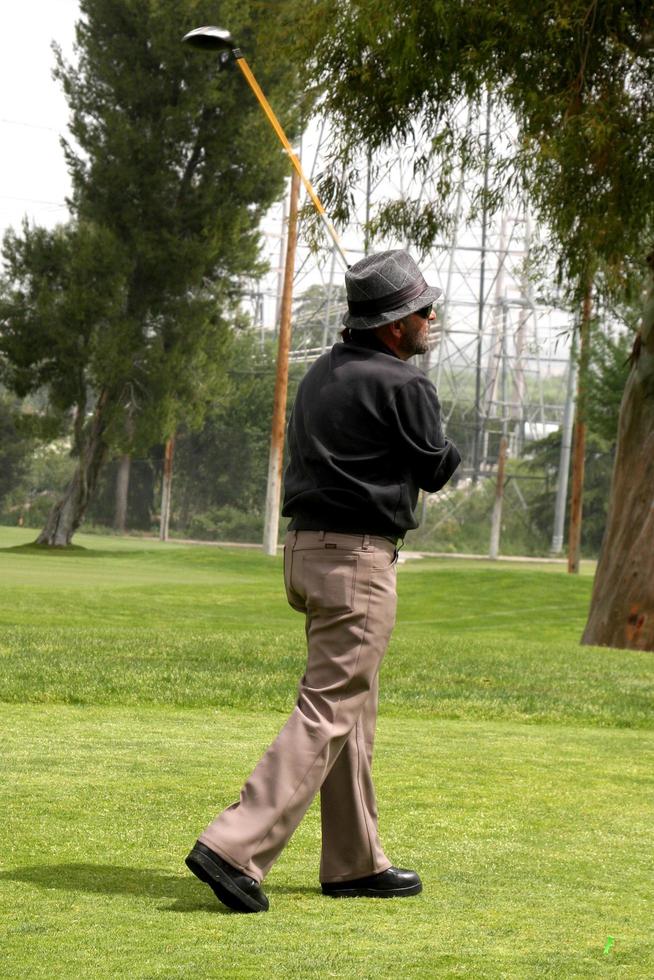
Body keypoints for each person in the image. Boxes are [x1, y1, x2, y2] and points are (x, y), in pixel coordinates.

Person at [186, 249, 461, 913]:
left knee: (350, 708)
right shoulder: (406, 385)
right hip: (357, 562)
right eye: (423, 310)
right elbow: (438, 469)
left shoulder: (320, 374)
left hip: (307, 555)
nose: (431, 318)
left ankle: (354, 860)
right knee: (330, 706)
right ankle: (234, 845)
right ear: (396, 326)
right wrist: (435, 428)